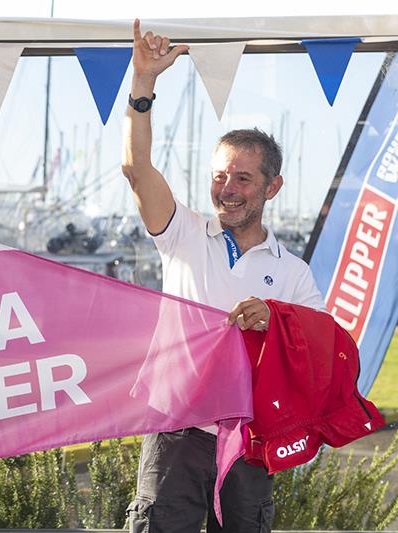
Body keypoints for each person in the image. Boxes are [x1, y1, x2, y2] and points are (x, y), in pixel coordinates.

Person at [122, 19, 325, 533]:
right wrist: (143, 85)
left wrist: (274, 318)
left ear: (271, 187)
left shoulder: (295, 274)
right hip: (174, 431)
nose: (227, 189)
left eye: (242, 177)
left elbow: (317, 356)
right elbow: (137, 168)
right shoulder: (182, 232)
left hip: (252, 439)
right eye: (219, 176)